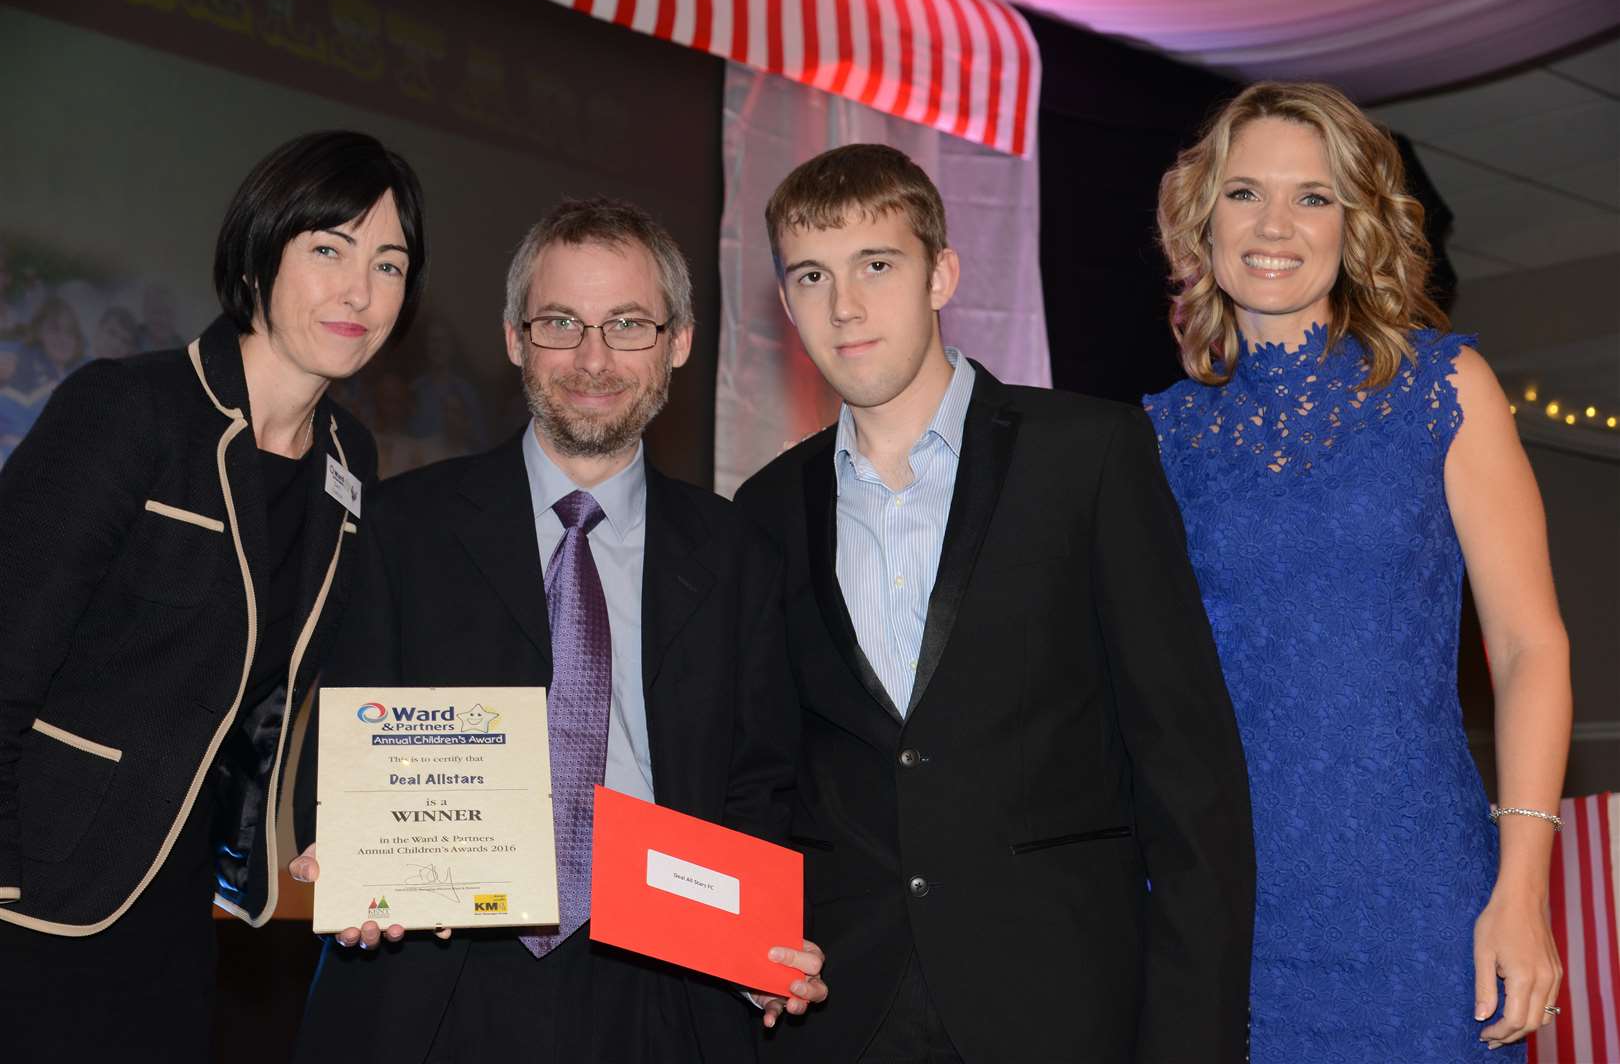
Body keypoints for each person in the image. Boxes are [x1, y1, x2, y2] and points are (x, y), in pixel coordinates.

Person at [732, 144, 1255, 1064]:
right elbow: (767, 772)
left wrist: (1192, 1041)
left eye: (877, 266)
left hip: (1061, 1006)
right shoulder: (766, 510)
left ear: (943, 275)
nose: (844, 306)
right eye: (812, 274)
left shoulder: (1088, 455)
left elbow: (1189, 775)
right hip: (843, 1015)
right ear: (784, 302)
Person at [290, 197, 827, 1064]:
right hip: (432, 977)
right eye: (559, 323)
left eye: (627, 324)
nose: (592, 358)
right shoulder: (403, 528)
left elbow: (759, 788)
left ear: (678, 343)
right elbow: (344, 749)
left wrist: (758, 938)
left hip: (665, 986)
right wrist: (348, 852)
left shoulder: (737, 556)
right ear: (514, 337)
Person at [1146, 81, 1570, 1061]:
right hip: (1223, 919)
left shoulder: (1440, 387)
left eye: (1314, 197)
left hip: (1422, 914)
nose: (1276, 225)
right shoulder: (1160, 438)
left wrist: (1523, 886)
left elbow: (1529, 644)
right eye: (1246, 193)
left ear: (1357, 222)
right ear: (1204, 219)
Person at [0, 129, 428, 1061]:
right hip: (35, 898)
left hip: (185, 913)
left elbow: (294, 697)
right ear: (261, 250)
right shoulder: (130, 411)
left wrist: (346, 840)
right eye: (330, 249)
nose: (360, 291)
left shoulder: (350, 460)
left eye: (388, 263)